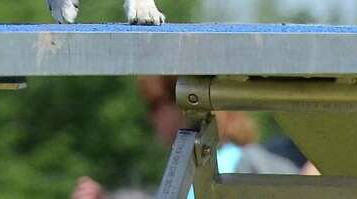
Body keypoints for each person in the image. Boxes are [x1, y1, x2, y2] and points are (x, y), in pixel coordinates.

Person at [71, 77, 315, 198]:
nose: (150, 118)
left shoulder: (230, 165)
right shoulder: (218, 164)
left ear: (183, 103)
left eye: (155, 105)